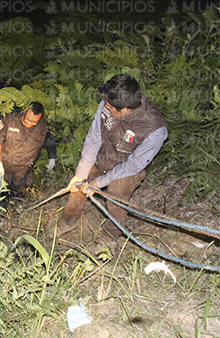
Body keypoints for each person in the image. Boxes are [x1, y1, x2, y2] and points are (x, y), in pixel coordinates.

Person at [57, 74, 167, 241]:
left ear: (125, 110)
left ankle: (110, 236)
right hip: (104, 156)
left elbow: (134, 165)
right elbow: (94, 138)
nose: (105, 107)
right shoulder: (109, 104)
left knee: (117, 192)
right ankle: (67, 222)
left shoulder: (155, 130)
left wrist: (98, 183)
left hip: (127, 168)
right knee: (80, 181)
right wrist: (81, 173)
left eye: (109, 106)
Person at [0, 101, 57, 194]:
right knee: (2, 188)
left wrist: (52, 157)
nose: (29, 123)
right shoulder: (9, 121)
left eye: (34, 122)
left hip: (25, 165)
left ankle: (15, 201)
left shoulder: (44, 126)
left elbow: (50, 141)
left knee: (18, 188)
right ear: (24, 112)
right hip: (6, 163)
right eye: (27, 119)